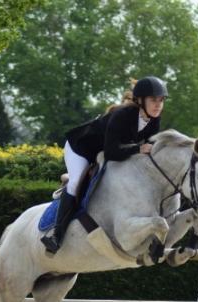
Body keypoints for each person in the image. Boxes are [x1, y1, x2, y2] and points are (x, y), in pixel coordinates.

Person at [41, 76, 168, 254]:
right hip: (81, 149)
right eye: (154, 100)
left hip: (104, 152)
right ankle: (56, 234)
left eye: (161, 100)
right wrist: (138, 149)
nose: (158, 105)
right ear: (140, 100)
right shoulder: (122, 116)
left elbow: (144, 152)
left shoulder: (154, 121)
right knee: (76, 182)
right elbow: (112, 152)